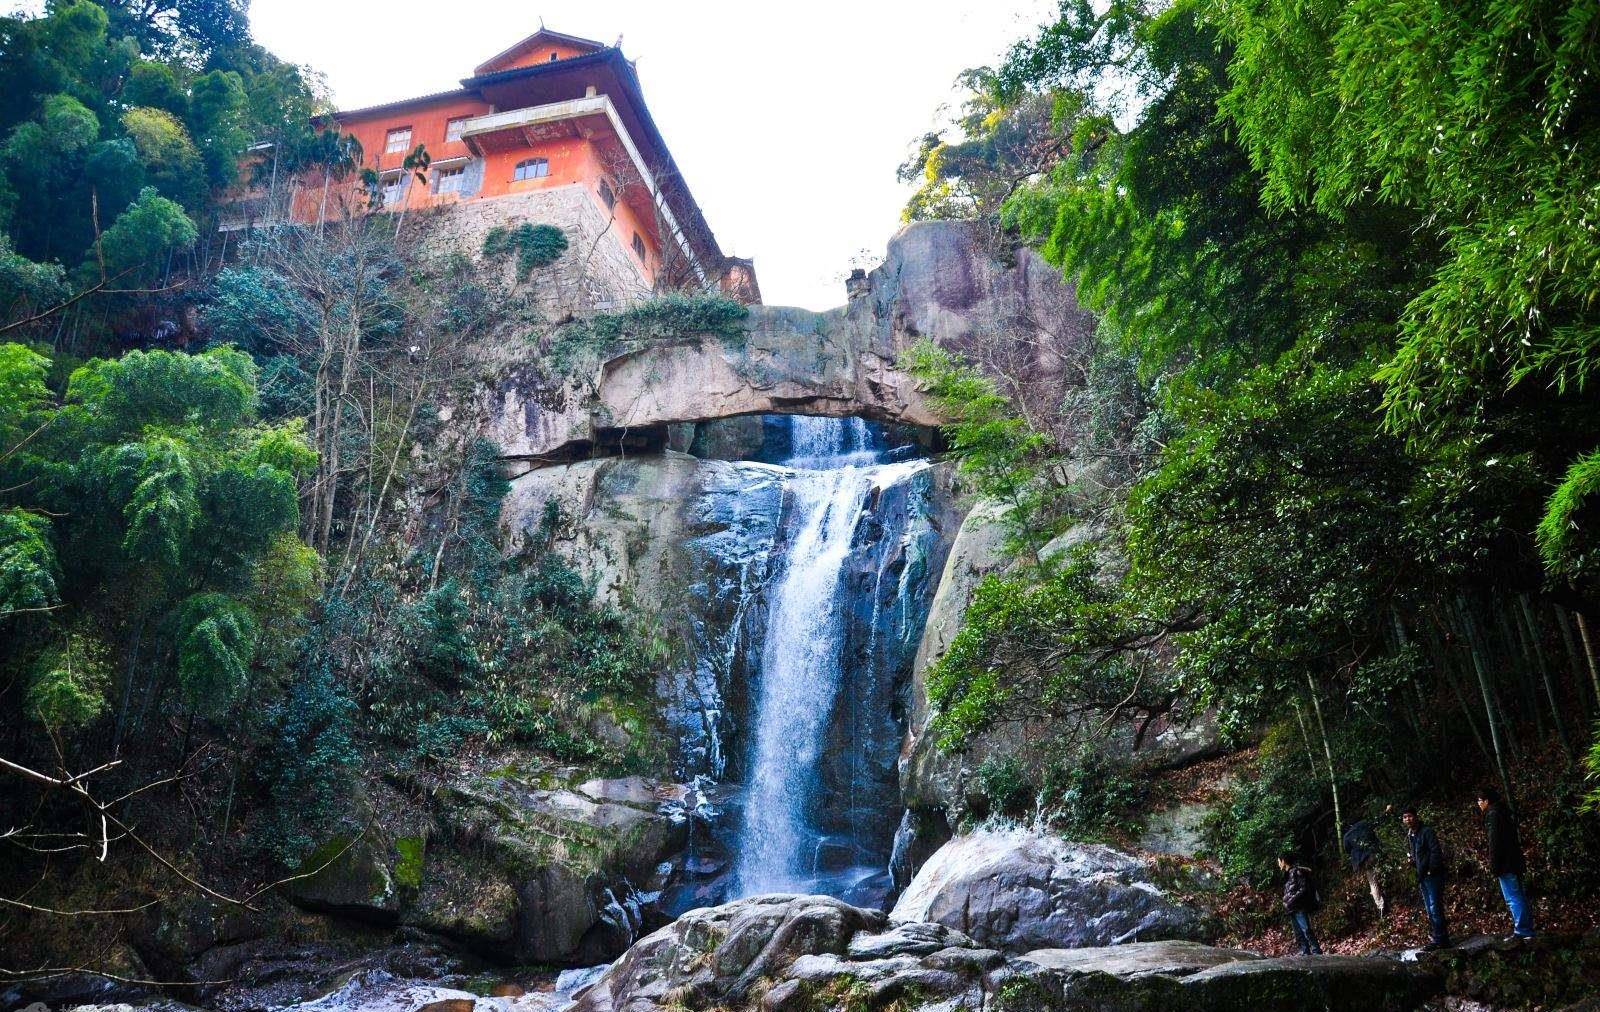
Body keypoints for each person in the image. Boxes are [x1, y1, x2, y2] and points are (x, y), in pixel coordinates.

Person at [1477, 786, 1536, 940]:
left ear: (1487, 801)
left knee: (1513, 897)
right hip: (1513, 861)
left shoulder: (1493, 815)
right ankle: (1526, 928)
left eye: (1480, 800)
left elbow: (1494, 842)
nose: (1478, 804)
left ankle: (1523, 930)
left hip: (1506, 863)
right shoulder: (1502, 812)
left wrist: (1494, 865)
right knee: (1518, 895)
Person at [1401, 805, 1452, 950]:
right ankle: (1437, 938)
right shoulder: (1411, 835)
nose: (1408, 820)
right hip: (1422, 876)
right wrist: (1412, 862)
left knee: (1435, 907)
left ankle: (1442, 940)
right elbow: (1417, 854)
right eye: (1405, 817)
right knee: (1430, 910)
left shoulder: (1426, 832)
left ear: (1416, 816)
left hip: (1432, 875)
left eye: (1410, 816)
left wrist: (1430, 869)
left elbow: (1435, 852)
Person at [1278, 852, 1323, 955]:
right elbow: (1289, 891)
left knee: (1306, 930)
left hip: (1299, 906)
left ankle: (1316, 951)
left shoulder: (1297, 872)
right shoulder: (1287, 874)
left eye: (1279, 862)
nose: (1279, 864)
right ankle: (1305, 951)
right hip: (1291, 908)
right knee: (1298, 933)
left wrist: (1291, 900)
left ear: (1283, 861)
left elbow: (1303, 889)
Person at [1343, 817, 1387, 918]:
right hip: (1375, 852)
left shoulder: (1347, 836)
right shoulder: (1364, 823)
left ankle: (1380, 906)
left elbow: (1347, 850)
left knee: (1373, 882)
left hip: (1363, 860)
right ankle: (1387, 892)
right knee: (1381, 873)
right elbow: (1376, 824)